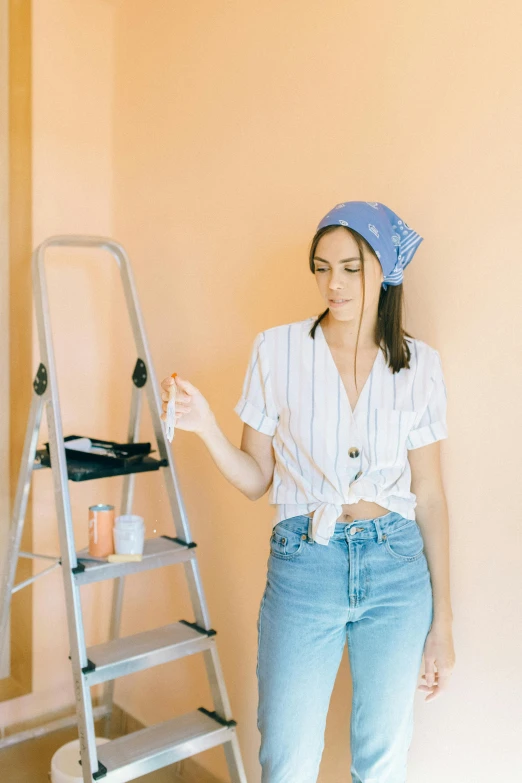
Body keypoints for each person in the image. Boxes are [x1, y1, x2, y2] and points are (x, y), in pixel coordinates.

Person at [160, 201, 456, 783]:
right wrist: (206, 429)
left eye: (351, 267)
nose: (333, 284)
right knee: (287, 759)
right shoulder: (277, 350)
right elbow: (256, 478)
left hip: (398, 567)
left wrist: (442, 620)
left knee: (382, 760)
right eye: (322, 267)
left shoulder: (421, 365)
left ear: (386, 270)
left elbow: (430, 493)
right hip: (304, 564)